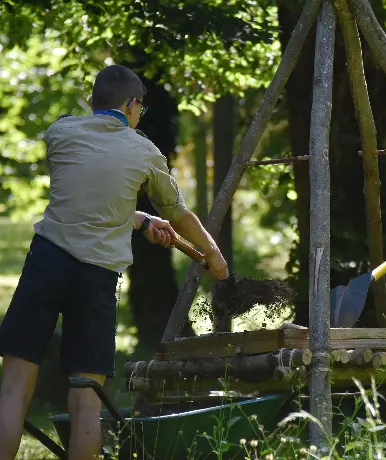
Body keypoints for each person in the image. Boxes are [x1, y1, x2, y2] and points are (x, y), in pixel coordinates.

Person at [0, 64, 229, 460]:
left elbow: (89, 201)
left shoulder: (61, 133)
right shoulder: (144, 152)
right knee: (87, 400)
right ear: (130, 103)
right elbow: (179, 215)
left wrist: (140, 222)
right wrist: (213, 254)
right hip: (96, 277)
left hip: (47, 261)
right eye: (140, 107)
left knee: (14, 385)